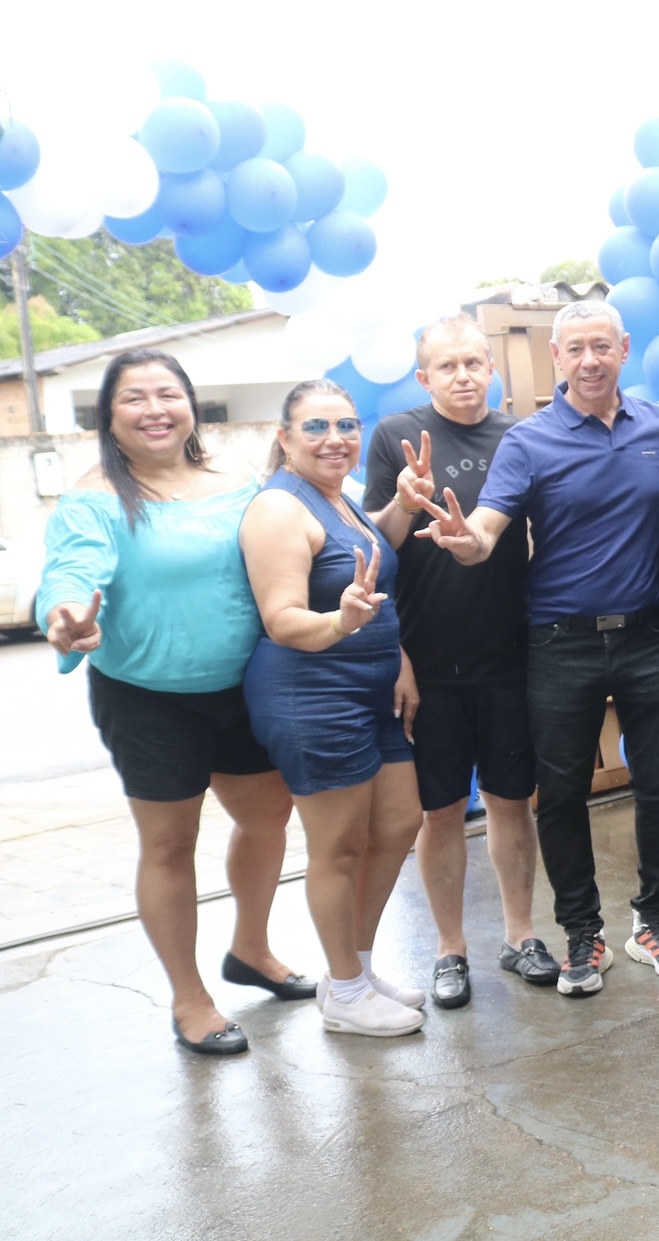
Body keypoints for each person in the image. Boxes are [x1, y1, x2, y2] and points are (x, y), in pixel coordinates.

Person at [416, 300, 659, 996]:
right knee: (562, 794)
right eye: (574, 349)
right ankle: (580, 931)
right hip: (558, 643)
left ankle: (655, 919)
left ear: (624, 348)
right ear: (556, 358)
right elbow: (485, 527)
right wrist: (465, 540)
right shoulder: (529, 440)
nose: (589, 360)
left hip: (648, 635)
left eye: (601, 346)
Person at [37, 350, 309, 1055]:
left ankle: (251, 947)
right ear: (109, 415)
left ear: (190, 404)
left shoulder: (238, 482)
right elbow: (70, 574)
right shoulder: (95, 497)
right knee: (168, 842)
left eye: (168, 393)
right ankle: (189, 997)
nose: (154, 408)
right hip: (148, 698)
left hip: (245, 685)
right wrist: (67, 616)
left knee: (268, 816)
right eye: (135, 398)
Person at [363, 314, 550, 1008]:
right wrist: (397, 653)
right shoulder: (394, 438)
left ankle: (522, 933)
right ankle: (450, 950)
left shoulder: (519, 437)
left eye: (475, 363)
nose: (465, 376)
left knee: (511, 802)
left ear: (492, 368)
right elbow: (375, 550)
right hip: (427, 662)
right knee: (439, 812)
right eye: (448, 366)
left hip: (508, 655)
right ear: (424, 376)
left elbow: (541, 538)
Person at [239, 379, 426, 1038]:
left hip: (373, 688)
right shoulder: (278, 510)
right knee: (338, 847)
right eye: (315, 426)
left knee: (401, 823)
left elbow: (376, 568)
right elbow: (285, 619)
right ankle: (343, 990)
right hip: (310, 694)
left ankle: (360, 967)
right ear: (285, 437)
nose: (335, 438)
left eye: (345, 425)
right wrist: (343, 624)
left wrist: (399, 509)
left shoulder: (339, 500)